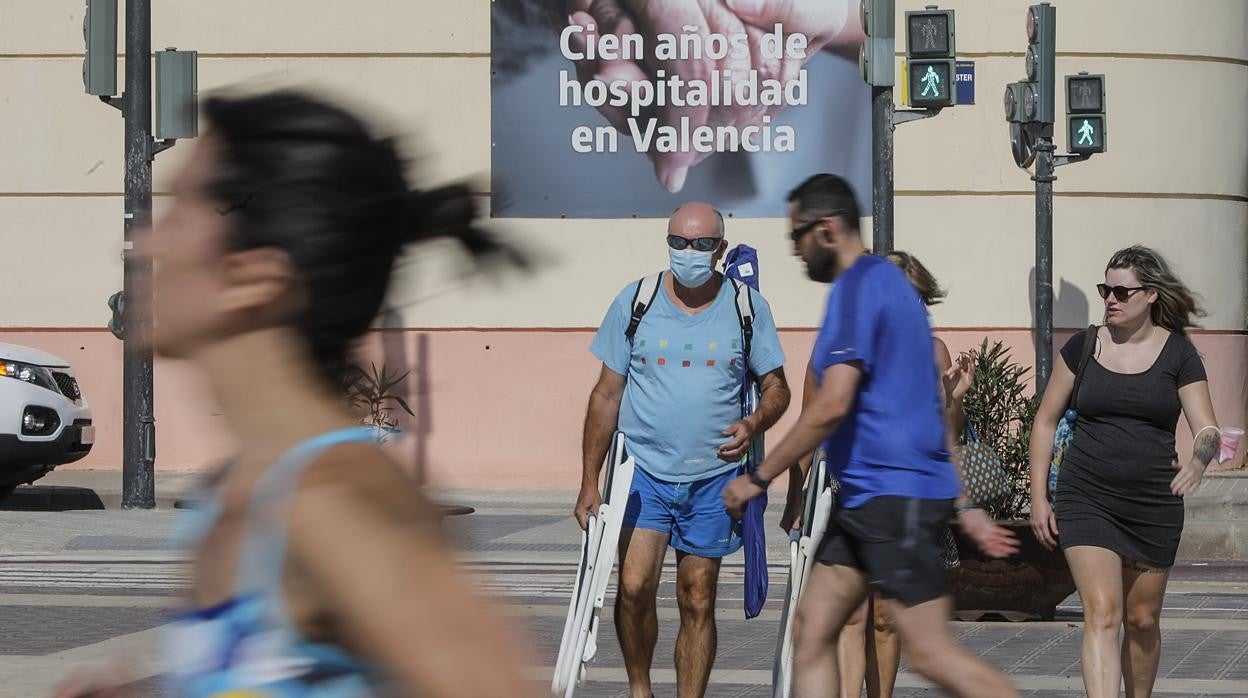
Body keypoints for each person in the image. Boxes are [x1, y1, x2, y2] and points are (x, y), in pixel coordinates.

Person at [58, 90, 539, 697]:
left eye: (178, 214)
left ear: (252, 279)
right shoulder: (242, 488)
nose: (143, 246)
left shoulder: (333, 502)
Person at [722, 173, 1019, 698]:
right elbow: (925, 412)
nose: (796, 251)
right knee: (811, 632)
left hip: (893, 500)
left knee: (931, 654)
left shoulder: (858, 288)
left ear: (828, 229)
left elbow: (832, 403)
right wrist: (965, 504)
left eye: (798, 236)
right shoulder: (887, 287)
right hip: (868, 498)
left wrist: (759, 476)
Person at [576, 202, 791, 698]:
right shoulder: (637, 301)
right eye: (678, 242)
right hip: (643, 474)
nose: (687, 253)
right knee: (633, 589)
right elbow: (605, 395)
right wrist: (590, 479)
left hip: (714, 478)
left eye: (699, 244)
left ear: (719, 248)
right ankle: (639, 688)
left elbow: (778, 388)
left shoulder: (746, 306)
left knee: (697, 598)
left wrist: (755, 421)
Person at [1028, 245, 1219, 698]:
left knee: (1141, 620)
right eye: (1105, 289)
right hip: (1086, 495)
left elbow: (1207, 426)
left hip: (1153, 503)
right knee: (1102, 613)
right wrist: (1039, 496)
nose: (1110, 299)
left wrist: (1197, 460)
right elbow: (1045, 420)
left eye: (1121, 291)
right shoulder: (1084, 346)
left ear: (1151, 295)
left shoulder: (1179, 355)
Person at [835, 250, 974, 698]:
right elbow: (819, 414)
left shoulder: (934, 352)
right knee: (852, 613)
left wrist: (951, 396)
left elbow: (948, 437)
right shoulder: (850, 344)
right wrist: (796, 494)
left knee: (885, 616)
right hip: (855, 488)